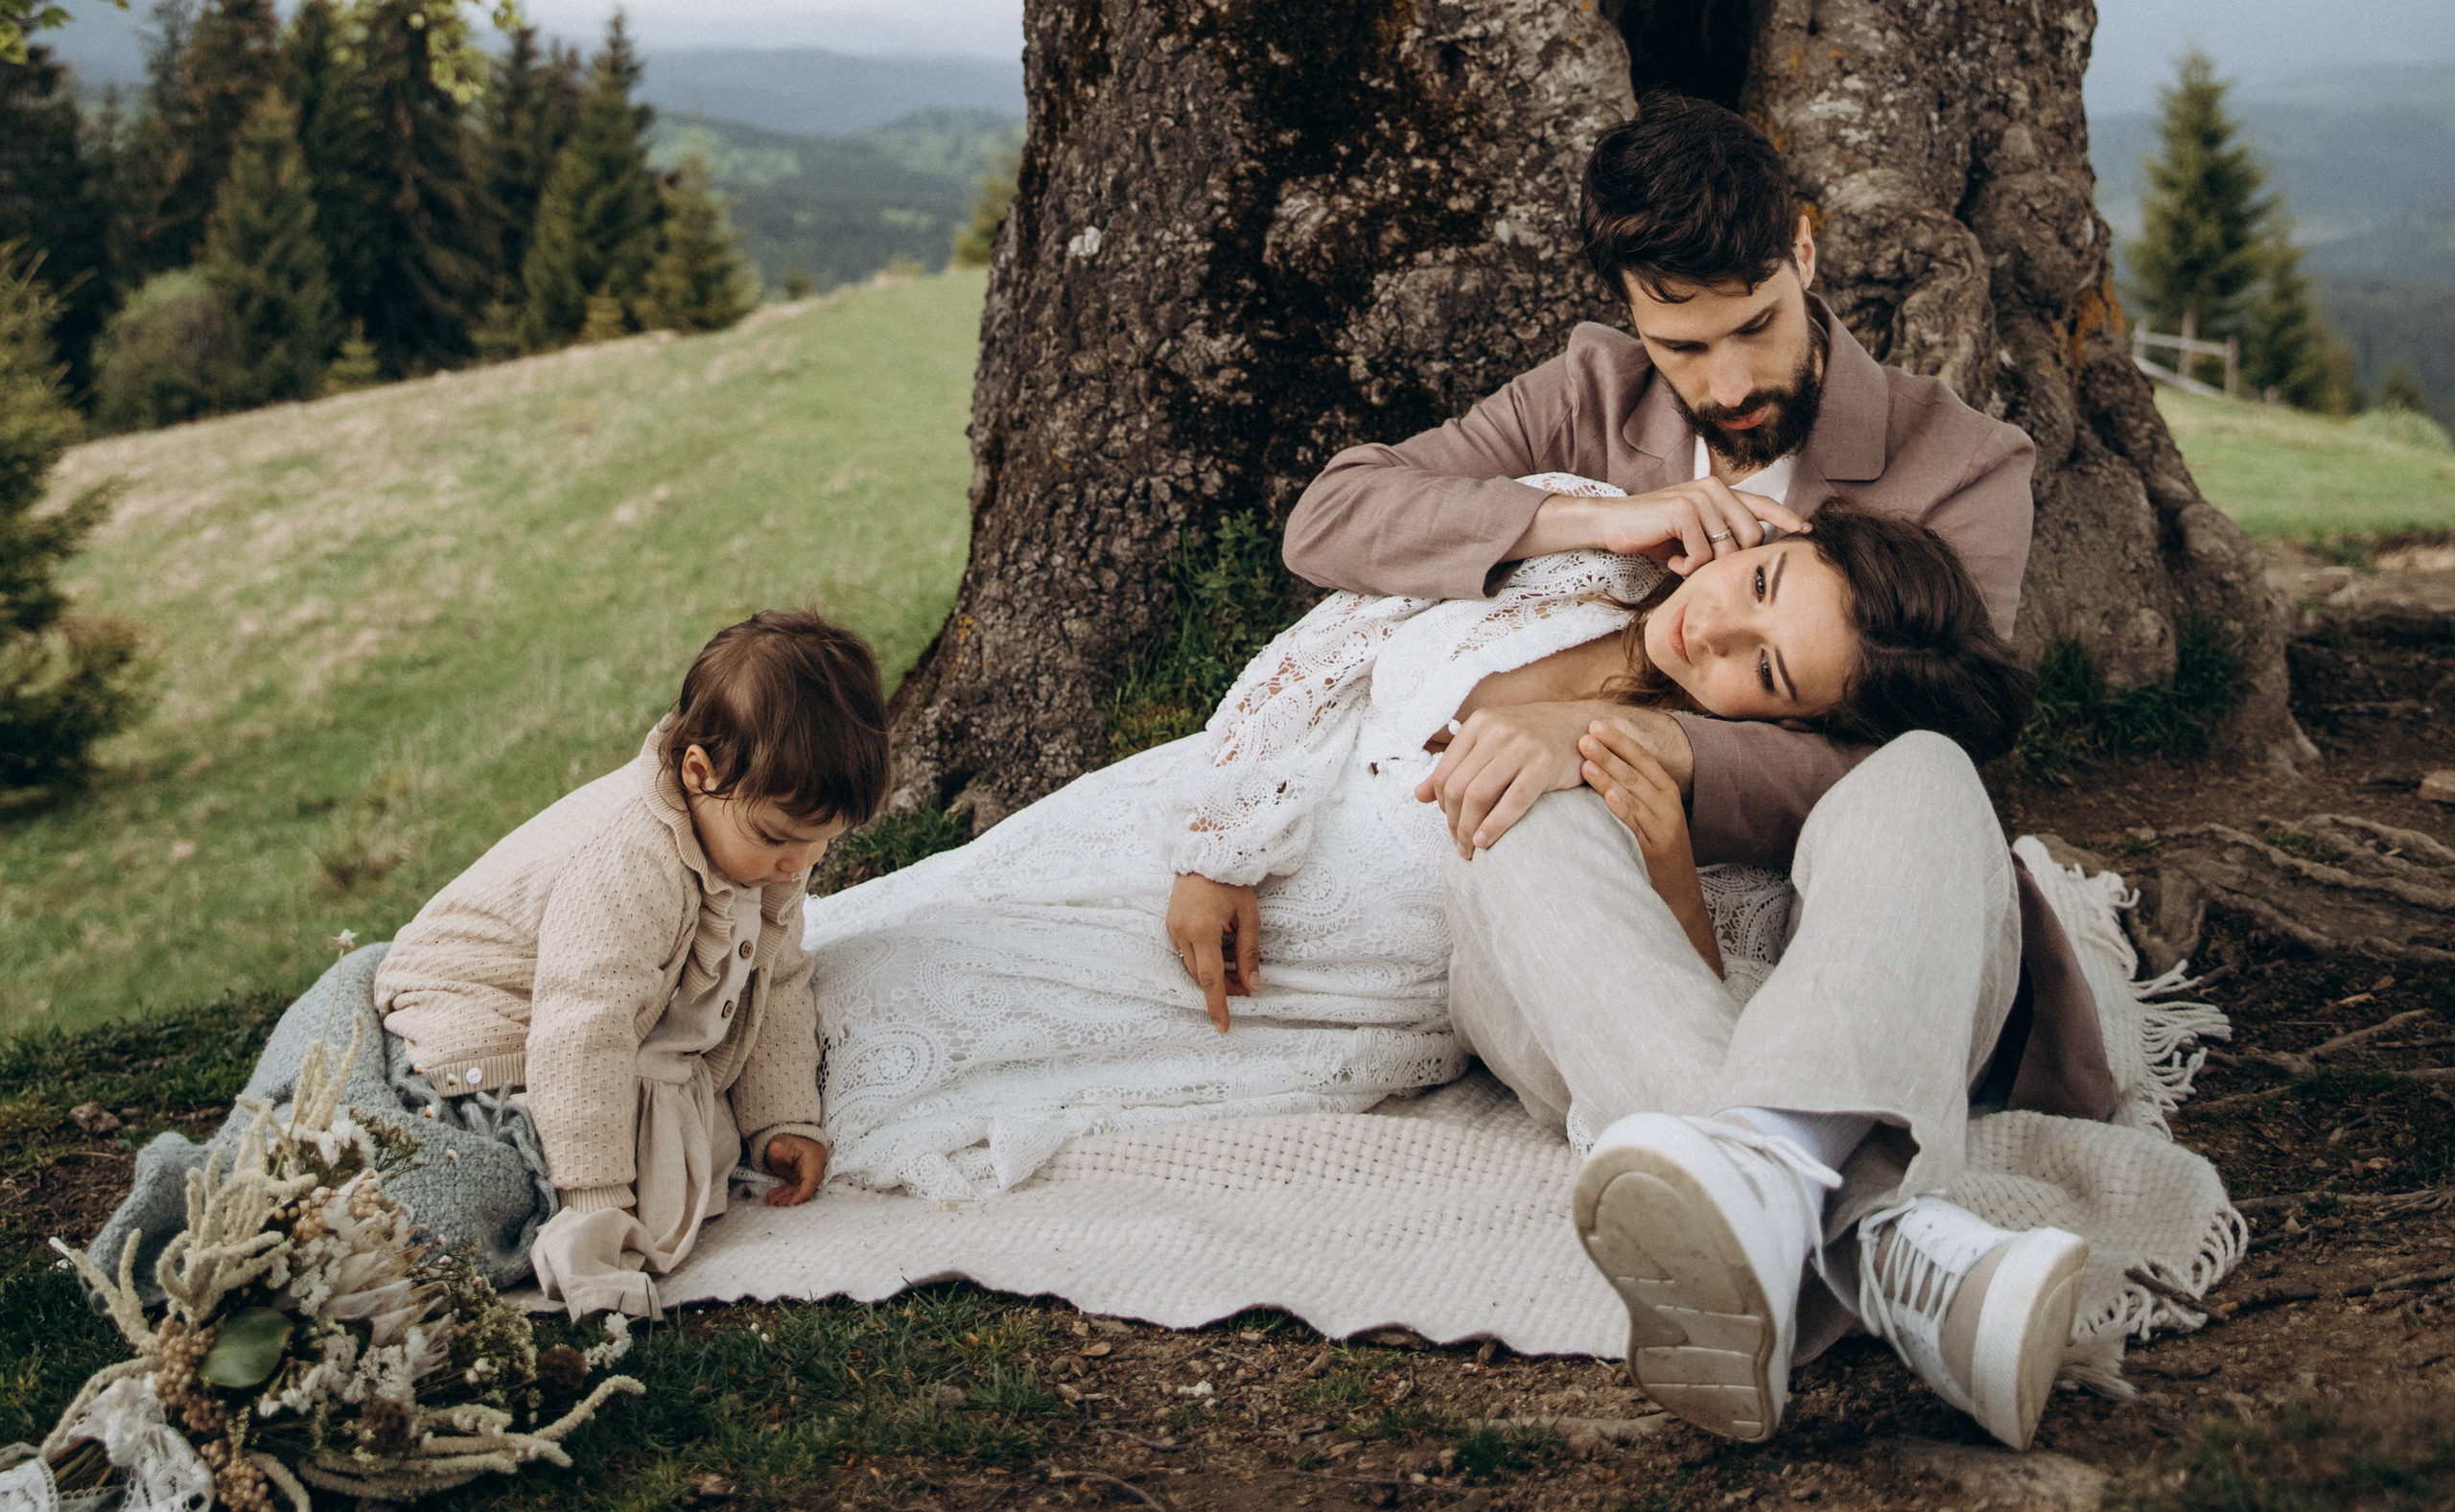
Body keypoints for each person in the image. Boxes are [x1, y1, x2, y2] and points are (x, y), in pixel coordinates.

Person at [1285, 92, 2110, 1456]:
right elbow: (1333, 519)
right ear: (1629, 313)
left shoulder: (1962, 467)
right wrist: (1604, 515)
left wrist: (1656, 736)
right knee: (1512, 792)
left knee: (1921, 774)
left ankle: (1762, 1206)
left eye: (1753, 328)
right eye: (1684, 346)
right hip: (1584, 961)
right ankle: (1885, 1247)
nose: (1725, 383)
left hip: (1857, 953)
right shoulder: (1589, 395)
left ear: (1805, 252)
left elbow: (1927, 735)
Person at [802, 493, 2026, 1219]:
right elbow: (1329, 648)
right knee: (872, 962)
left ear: (1796, 723)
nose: (1717, 627)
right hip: (1209, 834)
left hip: (1323, 991)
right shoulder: (1590, 564)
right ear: (1765, 530)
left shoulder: (1705, 788)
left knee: (909, 1033)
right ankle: (1806, 1222)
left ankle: (1750, 1205)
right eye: (1756, 581)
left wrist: (1660, 850)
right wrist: (1222, 845)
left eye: (1761, 669)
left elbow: (1670, 1003)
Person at [94, 608, 892, 1324]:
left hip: (559, 1022)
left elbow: (776, 983)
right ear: (698, 773)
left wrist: (782, 1119)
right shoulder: (632, 865)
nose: (801, 864)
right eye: (783, 839)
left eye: (822, 842)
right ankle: (283, 1222)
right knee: (483, 1189)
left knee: (694, 1141)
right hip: (480, 1025)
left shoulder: (756, 851)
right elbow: (583, 1027)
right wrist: (593, 1200)